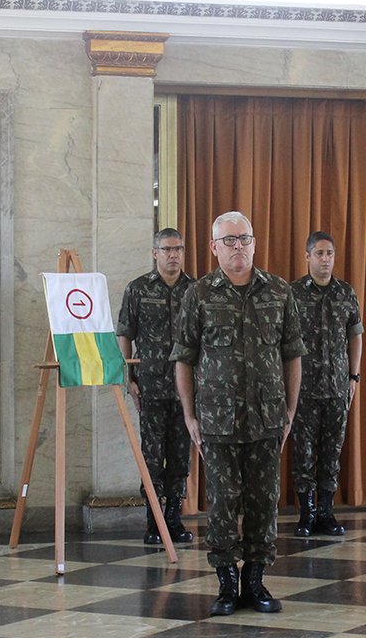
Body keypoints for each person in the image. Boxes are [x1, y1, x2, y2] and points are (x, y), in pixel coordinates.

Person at [172, 211, 305, 616]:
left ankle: (256, 581)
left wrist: (290, 410)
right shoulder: (199, 294)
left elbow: (292, 356)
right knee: (224, 503)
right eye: (228, 241)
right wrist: (190, 415)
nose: (238, 248)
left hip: (267, 419)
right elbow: (184, 358)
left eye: (244, 239)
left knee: (264, 502)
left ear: (254, 242)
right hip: (218, 421)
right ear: (213, 248)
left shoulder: (279, 292)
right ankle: (227, 583)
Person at [116, 228, 195, 546]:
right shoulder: (137, 289)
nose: (173, 254)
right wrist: (128, 378)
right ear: (154, 253)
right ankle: (154, 522)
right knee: (151, 457)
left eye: (178, 249)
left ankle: (174, 519)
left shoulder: (196, 290)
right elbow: (125, 333)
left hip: (186, 390)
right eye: (166, 249)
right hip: (150, 387)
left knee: (179, 459)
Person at [289, 231, 364, 538]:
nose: (325, 259)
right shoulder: (292, 293)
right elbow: (284, 342)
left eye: (329, 254)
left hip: (336, 388)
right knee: (303, 454)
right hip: (303, 389)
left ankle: (326, 513)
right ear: (307, 257)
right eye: (319, 254)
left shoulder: (346, 293)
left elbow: (355, 335)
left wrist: (354, 376)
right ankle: (306, 514)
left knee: (331, 454)